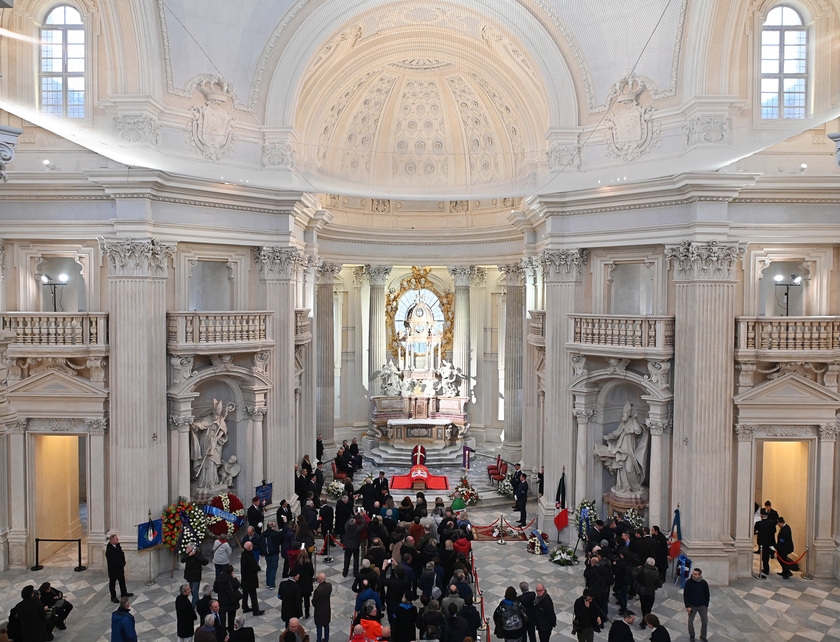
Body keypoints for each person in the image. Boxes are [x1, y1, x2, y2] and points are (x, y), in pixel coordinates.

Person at [684, 567, 710, 642]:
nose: (693, 575)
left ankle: (703, 636)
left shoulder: (704, 583)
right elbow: (686, 595)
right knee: (690, 622)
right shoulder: (689, 582)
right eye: (693, 573)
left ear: (699, 575)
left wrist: (706, 605)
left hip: (702, 606)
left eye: (695, 574)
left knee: (705, 621)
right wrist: (688, 606)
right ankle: (692, 635)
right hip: (692, 606)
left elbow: (707, 594)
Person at [213, 564, 241, 633]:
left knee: (222, 619)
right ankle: (231, 631)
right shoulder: (231, 579)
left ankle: (223, 633)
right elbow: (238, 585)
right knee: (231, 619)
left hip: (222, 602)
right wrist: (233, 577)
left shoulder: (219, 578)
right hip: (231, 602)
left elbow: (215, 589)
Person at [106, 534, 133, 604]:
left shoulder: (118, 545)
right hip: (113, 570)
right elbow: (112, 561)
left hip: (120, 568)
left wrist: (123, 562)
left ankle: (124, 593)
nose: (118, 540)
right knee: (112, 583)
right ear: (112, 541)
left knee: (122, 582)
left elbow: (121, 554)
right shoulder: (109, 550)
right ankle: (113, 597)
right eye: (116, 539)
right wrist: (120, 564)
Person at [239, 541, 265, 615]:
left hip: (245, 578)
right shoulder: (249, 557)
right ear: (250, 547)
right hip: (250, 579)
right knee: (253, 595)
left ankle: (245, 607)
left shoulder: (244, 554)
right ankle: (255, 610)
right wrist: (258, 568)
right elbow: (255, 567)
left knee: (245, 593)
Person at [181, 542, 210, 607]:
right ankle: (198, 603)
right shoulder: (188, 554)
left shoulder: (198, 554)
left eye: (187, 548)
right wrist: (189, 555)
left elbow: (205, 562)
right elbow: (182, 560)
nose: (186, 549)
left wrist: (195, 555)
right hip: (189, 576)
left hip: (196, 576)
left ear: (192, 548)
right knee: (192, 590)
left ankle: (193, 606)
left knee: (195, 591)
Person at [755, 512, 777, 577]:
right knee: (767, 556)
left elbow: (755, 530)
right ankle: (766, 568)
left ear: (762, 516)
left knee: (764, 557)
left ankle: (766, 569)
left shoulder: (759, 523)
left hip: (762, 542)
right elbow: (774, 531)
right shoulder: (772, 523)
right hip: (770, 542)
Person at [312, 572, 332, 642]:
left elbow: (314, 601)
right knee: (326, 625)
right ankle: (326, 639)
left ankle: (319, 640)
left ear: (320, 580)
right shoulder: (329, 585)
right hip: (327, 609)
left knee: (319, 626)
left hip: (319, 611)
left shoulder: (318, 590)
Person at [264, 520, 283, 589]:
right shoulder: (276, 534)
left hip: (267, 553)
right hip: (274, 553)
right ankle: (271, 584)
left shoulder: (264, 534)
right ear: (272, 527)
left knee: (268, 568)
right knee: (273, 569)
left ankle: (268, 583)